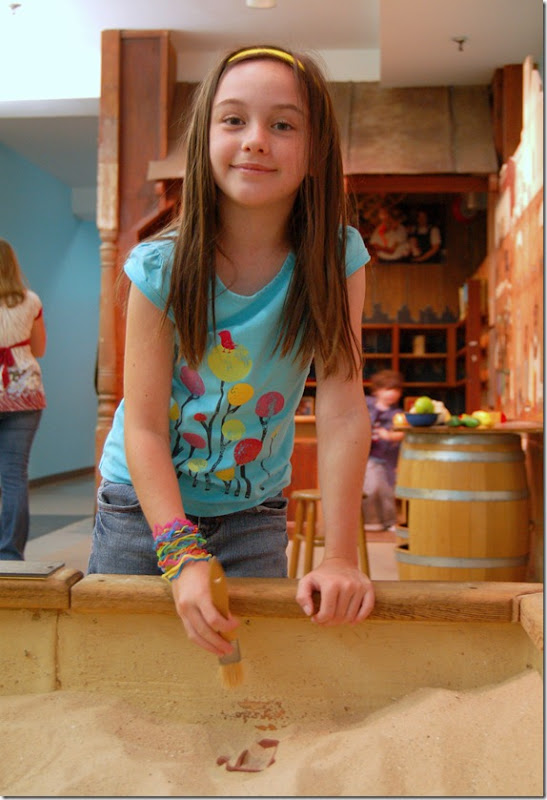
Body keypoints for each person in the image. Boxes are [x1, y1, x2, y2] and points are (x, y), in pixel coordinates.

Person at [88, 45, 375, 658]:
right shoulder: (159, 267)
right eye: (234, 119)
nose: (256, 140)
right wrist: (179, 551)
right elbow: (142, 426)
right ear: (205, 139)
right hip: (141, 512)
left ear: (317, 150)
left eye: (284, 124)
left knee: (249, 674)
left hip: (253, 514)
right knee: (125, 665)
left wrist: (340, 556)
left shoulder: (337, 258)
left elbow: (344, 410)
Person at [0, 239, 47, 560]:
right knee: (15, 475)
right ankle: (10, 553)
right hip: (24, 394)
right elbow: (39, 348)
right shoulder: (31, 301)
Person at [362, 370, 404, 532]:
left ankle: (389, 521)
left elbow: (402, 433)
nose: (392, 394)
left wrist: (389, 436)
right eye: (387, 389)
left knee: (387, 491)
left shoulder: (397, 414)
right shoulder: (366, 404)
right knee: (371, 487)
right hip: (368, 456)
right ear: (377, 390)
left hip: (388, 458)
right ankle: (371, 520)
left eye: (396, 390)